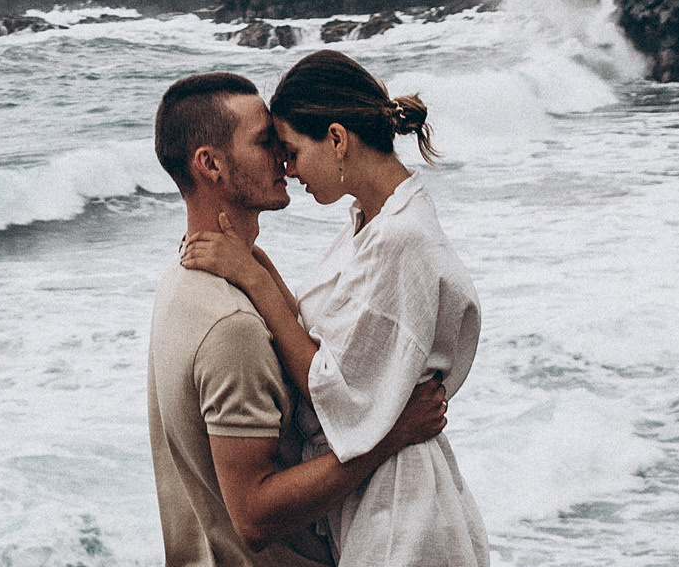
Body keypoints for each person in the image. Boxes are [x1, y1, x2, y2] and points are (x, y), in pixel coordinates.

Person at [180, 53, 486, 567]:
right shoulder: (370, 220)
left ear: (338, 139)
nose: (289, 168)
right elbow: (332, 339)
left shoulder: (400, 239)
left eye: (293, 150)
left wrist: (254, 277)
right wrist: (259, 266)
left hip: (400, 509)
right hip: (377, 496)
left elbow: (334, 392)